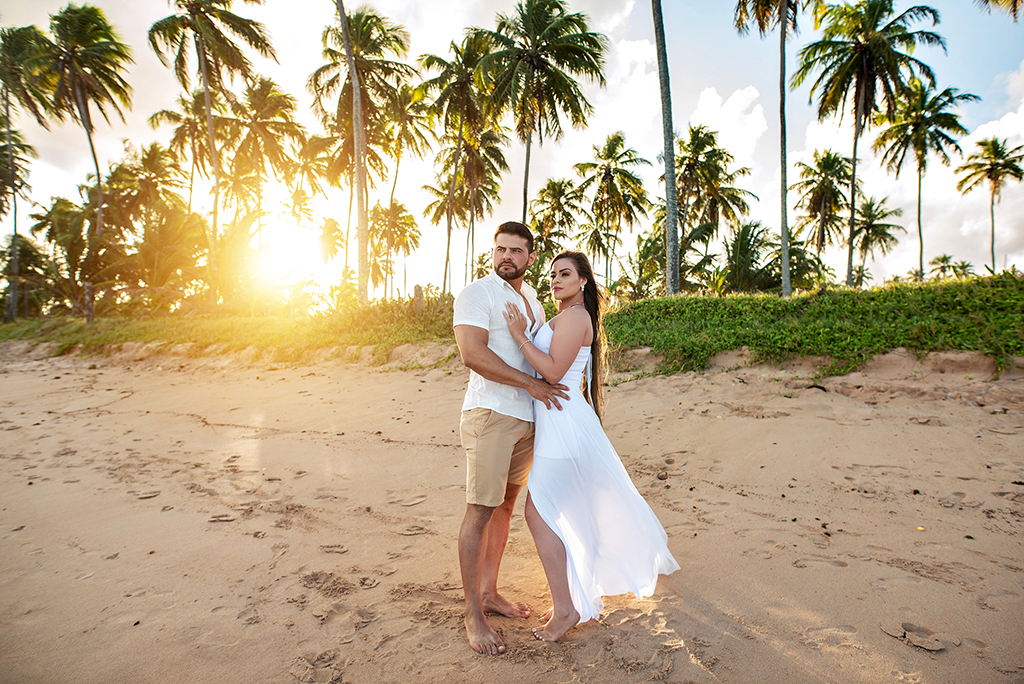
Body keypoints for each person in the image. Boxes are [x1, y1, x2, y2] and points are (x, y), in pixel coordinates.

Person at [503, 250, 680, 642]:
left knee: (538, 513)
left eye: (564, 274)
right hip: (559, 425)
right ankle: (573, 597)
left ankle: (566, 609)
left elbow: (551, 371)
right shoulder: (564, 317)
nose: (555, 280)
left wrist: (518, 336)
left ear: (583, 280)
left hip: (565, 428)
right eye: (551, 275)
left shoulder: (577, 317)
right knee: (561, 512)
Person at [452, 221, 570, 655]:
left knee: (504, 507)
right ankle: (473, 615)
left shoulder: (534, 302)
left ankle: (489, 592)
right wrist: (530, 384)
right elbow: (472, 354)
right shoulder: (477, 293)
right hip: (490, 415)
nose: (506, 256)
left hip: (527, 421)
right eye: (500, 248)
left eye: (516, 251)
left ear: (530, 257)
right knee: (480, 510)